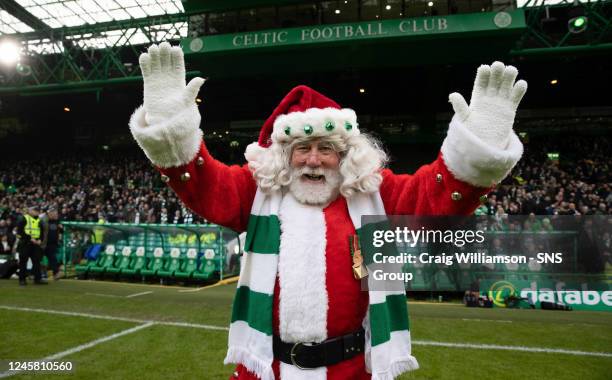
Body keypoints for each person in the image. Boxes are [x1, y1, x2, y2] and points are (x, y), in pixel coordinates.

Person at [129, 42, 527, 380]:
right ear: (286, 154)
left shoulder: (373, 192)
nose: (314, 160)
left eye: (326, 149)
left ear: (345, 154)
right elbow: (206, 186)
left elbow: (431, 200)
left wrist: (477, 147)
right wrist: (172, 132)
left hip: (351, 370)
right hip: (268, 368)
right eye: (303, 148)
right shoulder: (257, 191)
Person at [16, 205, 47, 285]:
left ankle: (37, 279)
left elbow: (41, 231)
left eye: (37, 211)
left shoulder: (39, 220)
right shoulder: (24, 218)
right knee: (23, 262)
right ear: (29, 211)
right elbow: (19, 232)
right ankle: (22, 279)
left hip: (35, 244)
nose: (36, 212)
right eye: (35, 210)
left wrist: (40, 239)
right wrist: (30, 238)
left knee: (37, 261)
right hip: (25, 243)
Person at [41, 207, 62, 280]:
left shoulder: (57, 222)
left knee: (53, 258)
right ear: (49, 213)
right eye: (54, 214)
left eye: (56, 214)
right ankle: (35, 273)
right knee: (37, 258)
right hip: (43, 243)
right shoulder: (43, 221)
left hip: (52, 244)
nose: (56, 215)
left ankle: (55, 274)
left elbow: (61, 231)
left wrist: (61, 229)